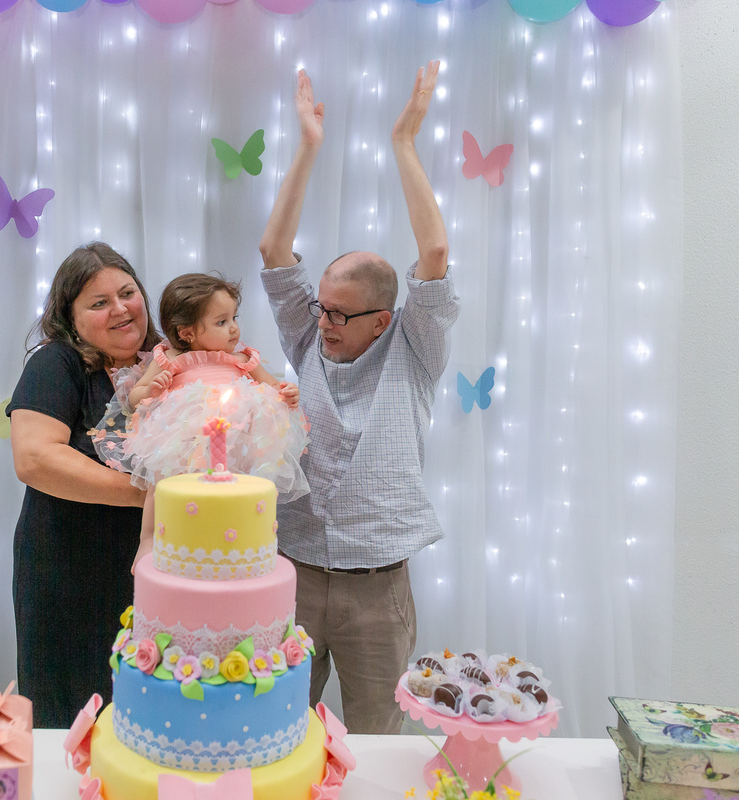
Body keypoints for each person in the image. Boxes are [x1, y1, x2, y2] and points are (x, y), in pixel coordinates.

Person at [257, 63, 461, 734]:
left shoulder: (414, 347)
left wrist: (404, 142)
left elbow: (434, 248)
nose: (324, 322)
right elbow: (273, 248)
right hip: (294, 574)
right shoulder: (311, 338)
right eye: (322, 307)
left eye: (342, 314)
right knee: (277, 730)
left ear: (384, 318)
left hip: (378, 585)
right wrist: (309, 147)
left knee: (378, 740)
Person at [7, 242, 160, 728]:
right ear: (70, 319)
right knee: (75, 718)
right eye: (99, 303)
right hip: (69, 575)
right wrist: (150, 495)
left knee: (150, 716)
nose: (120, 309)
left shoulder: (167, 364)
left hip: (155, 576)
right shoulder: (57, 364)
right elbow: (35, 459)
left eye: (127, 293)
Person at [93, 273, 308, 569]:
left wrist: (286, 393)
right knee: (161, 484)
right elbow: (134, 397)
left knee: (246, 489)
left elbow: (272, 385)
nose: (233, 328)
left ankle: (249, 544)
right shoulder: (169, 358)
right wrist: (153, 388)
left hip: (238, 438)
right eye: (222, 322)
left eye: (234, 317)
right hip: (185, 437)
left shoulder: (241, 357)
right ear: (187, 333)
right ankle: (149, 540)